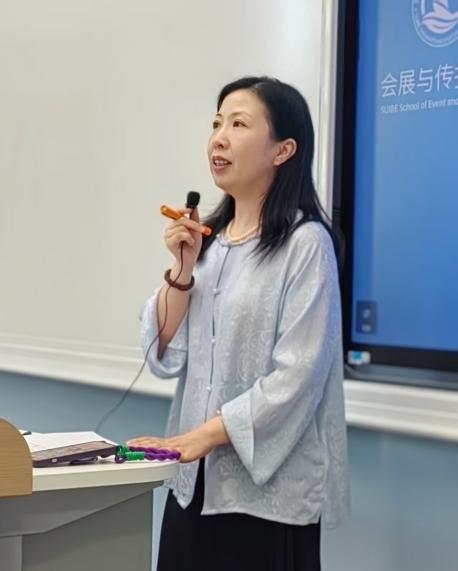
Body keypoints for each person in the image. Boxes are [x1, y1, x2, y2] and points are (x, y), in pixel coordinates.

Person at [129, 76, 349, 571]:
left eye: (239, 124)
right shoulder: (207, 243)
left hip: (265, 497)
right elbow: (163, 355)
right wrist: (182, 271)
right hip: (192, 484)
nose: (219, 138)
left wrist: (200, 437)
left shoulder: (305, 244)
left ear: (283, 150)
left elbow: (298, 376)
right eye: (216, 123)